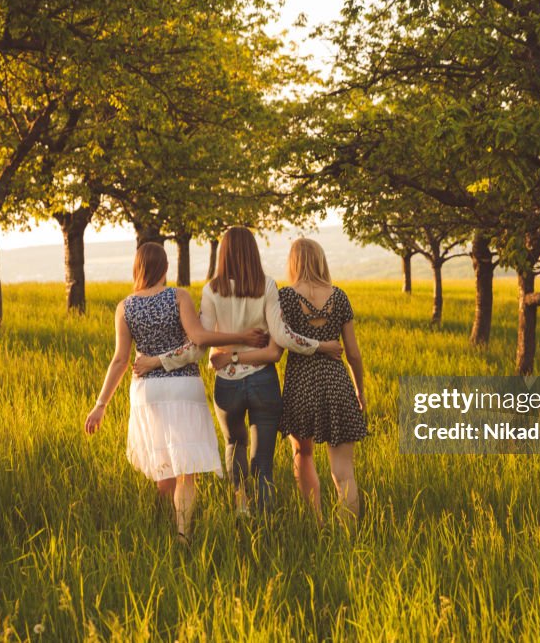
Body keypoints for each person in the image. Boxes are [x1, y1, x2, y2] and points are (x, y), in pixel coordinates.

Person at [134, 227, 343, 514]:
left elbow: (197, 344)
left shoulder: (212, 290)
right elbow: (281, 337)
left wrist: (159, 360)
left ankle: (241, 507)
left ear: (223, 253)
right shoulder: (267, 286)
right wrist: (321, 345)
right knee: (263, 461)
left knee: (234, 445)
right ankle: (266, 522)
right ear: (253, 252)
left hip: (228, 384)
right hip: (263, 380)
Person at [84, 243, 267, 542]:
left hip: (148, 390)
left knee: (163, 464)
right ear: (165, 268)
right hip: (184, 387)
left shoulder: (125, 306)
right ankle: (183, 533)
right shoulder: (178, 296)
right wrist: (243, 337)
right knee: (187, 468)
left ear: (137, 268)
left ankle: (159, 526)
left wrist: (100, 403)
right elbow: (198, 341)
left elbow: (120, 359)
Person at [214, 237, 366, 531]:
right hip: (337, 384)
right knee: (344, 470)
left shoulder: (285, 298)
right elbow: (354, 354)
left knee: (303, 454)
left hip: (301, 387)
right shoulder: (341, 297)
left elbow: (275, 350)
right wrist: (359, 390)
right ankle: (348, 533)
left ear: (293, 263)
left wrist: (232, 356)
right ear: (321, 261)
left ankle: (317, 522)